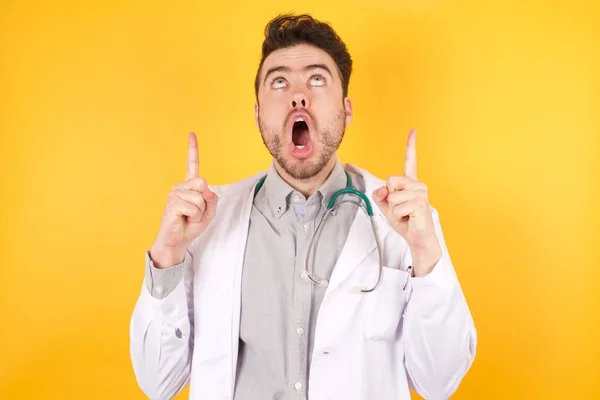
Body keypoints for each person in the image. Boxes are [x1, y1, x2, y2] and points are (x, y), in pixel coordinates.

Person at [129, 13, 477, 400]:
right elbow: (157, 383)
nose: (298, 95)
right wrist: (168, 254)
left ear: (346, 110)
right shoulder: (205, 222)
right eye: (279, 82)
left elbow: (439, 383)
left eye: (317, 79)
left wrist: (426, 253)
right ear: (258, 113)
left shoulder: (407, 223)